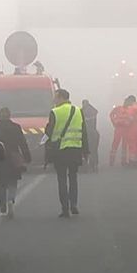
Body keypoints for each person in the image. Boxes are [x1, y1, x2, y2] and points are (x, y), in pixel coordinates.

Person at [45, 89, 89, 218]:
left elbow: (49, 131)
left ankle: (65, 208)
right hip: (75, 149)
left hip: (60, 151)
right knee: (73, 178)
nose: (54, 100)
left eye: (56, 97)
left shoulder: (55, 112)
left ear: (61, 98)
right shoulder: (78, 111)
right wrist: (86, 151)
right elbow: (84, 131)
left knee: (62, 179)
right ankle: (74, 204)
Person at [0, 107, 31, 217]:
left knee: (2, 184)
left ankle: (2, 206)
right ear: (9, 116)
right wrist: (27, 157)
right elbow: (22, 143)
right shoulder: (16, 128)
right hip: (13, 159)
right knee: (13, 182)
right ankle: (11, 200)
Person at [109, 100, 132, 166]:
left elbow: (131, 119)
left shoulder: (130, 110)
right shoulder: (118, 108)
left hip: (126, 129)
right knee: (115, 144)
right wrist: (114, 122)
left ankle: (123, 161)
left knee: (124, 146)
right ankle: (111, 161)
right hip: (118, 128)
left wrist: (128, 123)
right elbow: (111, 114)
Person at [125, 95, 137, 168]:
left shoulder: (131, 109)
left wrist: (124, 124)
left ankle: (132, 162)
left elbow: (129, 120)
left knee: (132, 145)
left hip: (131, 129)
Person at [82, 99, 100, 173]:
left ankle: (86, 165)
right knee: (94, 150)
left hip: (87, 133)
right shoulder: (93, 111)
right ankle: (94, 165)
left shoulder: (83, 111)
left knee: (86, 150)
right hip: (94, 133)